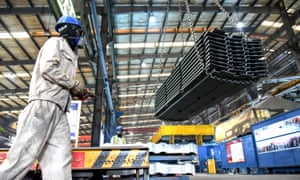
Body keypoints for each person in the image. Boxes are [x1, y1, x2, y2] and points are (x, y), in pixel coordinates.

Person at [0, 15, 90, 180]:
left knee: (60, 160)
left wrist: (77, 91)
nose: (80, 37)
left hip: (59, 112)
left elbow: (62, 82)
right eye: (78, 32)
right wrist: (74, 85)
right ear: (70, 30)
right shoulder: (55, 43)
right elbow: (47, 69)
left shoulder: (72, 54)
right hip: (42, 106)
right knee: (22, 157)